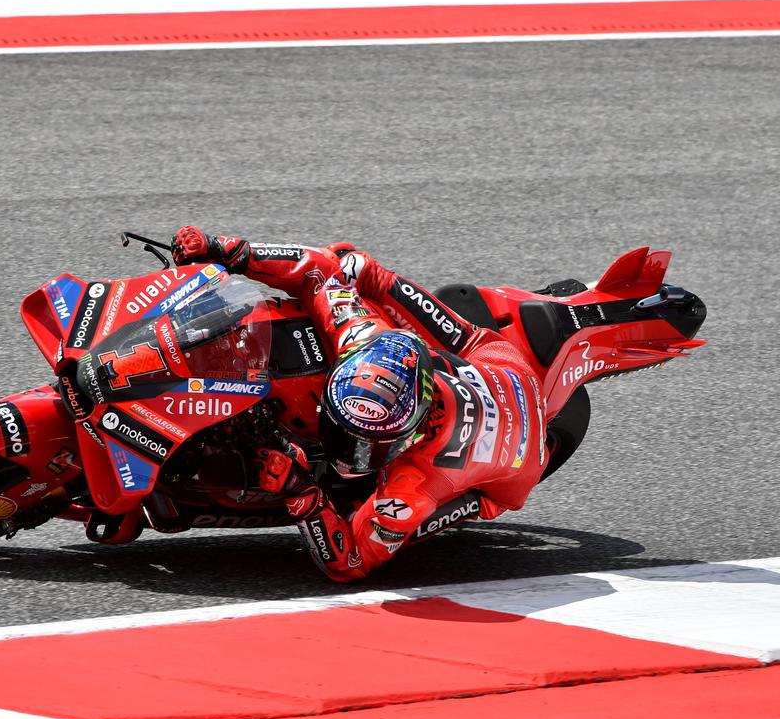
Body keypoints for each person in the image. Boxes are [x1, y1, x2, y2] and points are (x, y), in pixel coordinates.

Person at [171, 226, 548, 581]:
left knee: (373, 516)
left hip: (517, 467)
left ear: (408, 436)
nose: (349, 453)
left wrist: (303, 494)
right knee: (355, 266)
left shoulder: (414, 484)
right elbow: (320, 270)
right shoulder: (361, 335)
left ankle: (475, 507)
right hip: (496, 363)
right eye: (344, 432)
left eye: (369, 445)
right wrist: (228, 250)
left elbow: (349, 563)